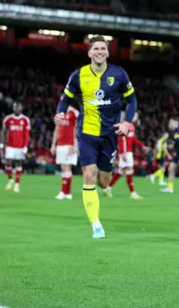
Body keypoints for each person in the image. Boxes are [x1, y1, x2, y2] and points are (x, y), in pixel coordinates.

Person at [54, 36, 136, 239]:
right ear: (89, 53)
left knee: (104, 182)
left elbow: (132, 100)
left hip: (110, 134)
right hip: (87, 133)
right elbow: (65, 99)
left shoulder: (119, 74)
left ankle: (104, 178)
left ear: (107, 52)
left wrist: (127, 122)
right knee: (88, 174)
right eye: (96, 48)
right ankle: (96, 224)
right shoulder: (78, 75)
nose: (99, 51)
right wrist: (60, 112)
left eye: (103, 48)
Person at [106, 112, 147, 200]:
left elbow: (132, 139)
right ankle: (133, 193)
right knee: (129, 171)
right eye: (135, 115)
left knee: (121, 171)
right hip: (126, 152)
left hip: (127, 152)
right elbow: (121, 139)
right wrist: (123, 152)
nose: (136, 117)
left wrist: (141, 146)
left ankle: (108, 188)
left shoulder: (131, 126)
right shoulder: (125, 125)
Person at [0, 102, 31, 193]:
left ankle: (17, 184)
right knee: (8, 162)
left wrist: (25, 146)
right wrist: (2, 143)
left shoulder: (25, 120)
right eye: (15, 107)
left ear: (21, 108)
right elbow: (3, 131)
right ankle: (10, 179)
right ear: (13, 108)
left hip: (20, 147)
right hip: (10, 146)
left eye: (19, 107)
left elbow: (27, 134)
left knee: (18, 164)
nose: (17, 109)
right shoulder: (8, 119)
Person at [51, 106, 79, 200]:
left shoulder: (74, 113)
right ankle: (68, 193)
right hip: (60, 144)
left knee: (66, 167)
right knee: (64, 168)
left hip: (69, 144)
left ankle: (63, 191)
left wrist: (76, 144)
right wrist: (53, 144)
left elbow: (77, 129)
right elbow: (56, 129)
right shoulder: (60, 113)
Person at [161, 117, 179, 194]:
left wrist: (171, 145)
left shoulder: (176, 132)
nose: (169, 124)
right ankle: (170, 187)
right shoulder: (177, 131)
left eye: (171, 123)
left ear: (176, 123)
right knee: (171, 168)